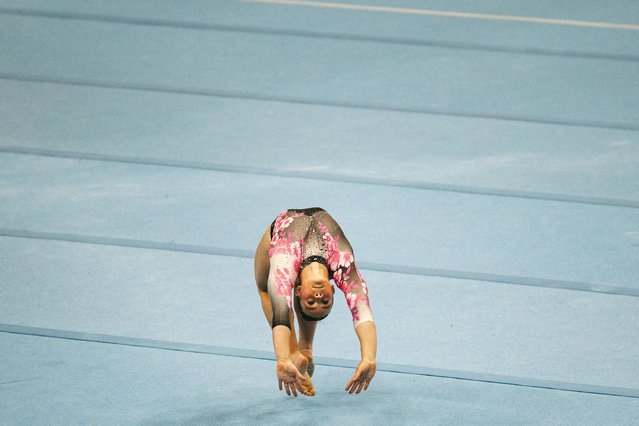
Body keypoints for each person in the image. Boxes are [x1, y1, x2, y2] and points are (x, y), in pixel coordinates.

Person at [254, 207, 377, 397]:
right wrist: (369, 357)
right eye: (325, 301)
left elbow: (281, 319)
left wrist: (283, 358)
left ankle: (297, 351)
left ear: (299, 292)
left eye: (311, 301)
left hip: (283, 231)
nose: (318, 298)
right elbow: (363, 312)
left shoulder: (284, 261)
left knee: (267, 290)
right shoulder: (342, 264)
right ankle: (305, 348)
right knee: (281, 295)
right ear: (334, 290)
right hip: (315, 230)